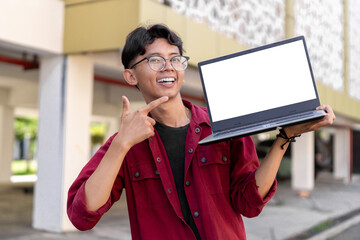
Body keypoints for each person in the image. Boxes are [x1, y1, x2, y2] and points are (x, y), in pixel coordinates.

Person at [67, 24, 335, 240]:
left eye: (175, 59)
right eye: (155, 60)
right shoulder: (125, 143)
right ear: (131, 76)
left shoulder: (222, 125)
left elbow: (249, 203)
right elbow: (82, 216)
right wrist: (120, 146)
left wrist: (285, 136)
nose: (168, 67)